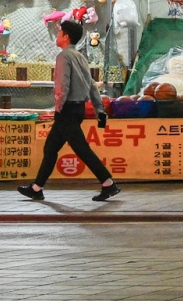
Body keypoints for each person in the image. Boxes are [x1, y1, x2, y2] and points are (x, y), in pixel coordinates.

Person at [18, 20, 119, 203]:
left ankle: (108, 183)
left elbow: (62, 85)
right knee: (50, 148)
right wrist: (99, 109)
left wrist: (58, 107)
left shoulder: (63, 56)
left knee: (81, 149)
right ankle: (37, 188)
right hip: (78, 108)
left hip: (67, 109)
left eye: (59, 33)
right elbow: (92, 85)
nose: (58, 36)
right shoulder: (80, 57)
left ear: (65, 36)